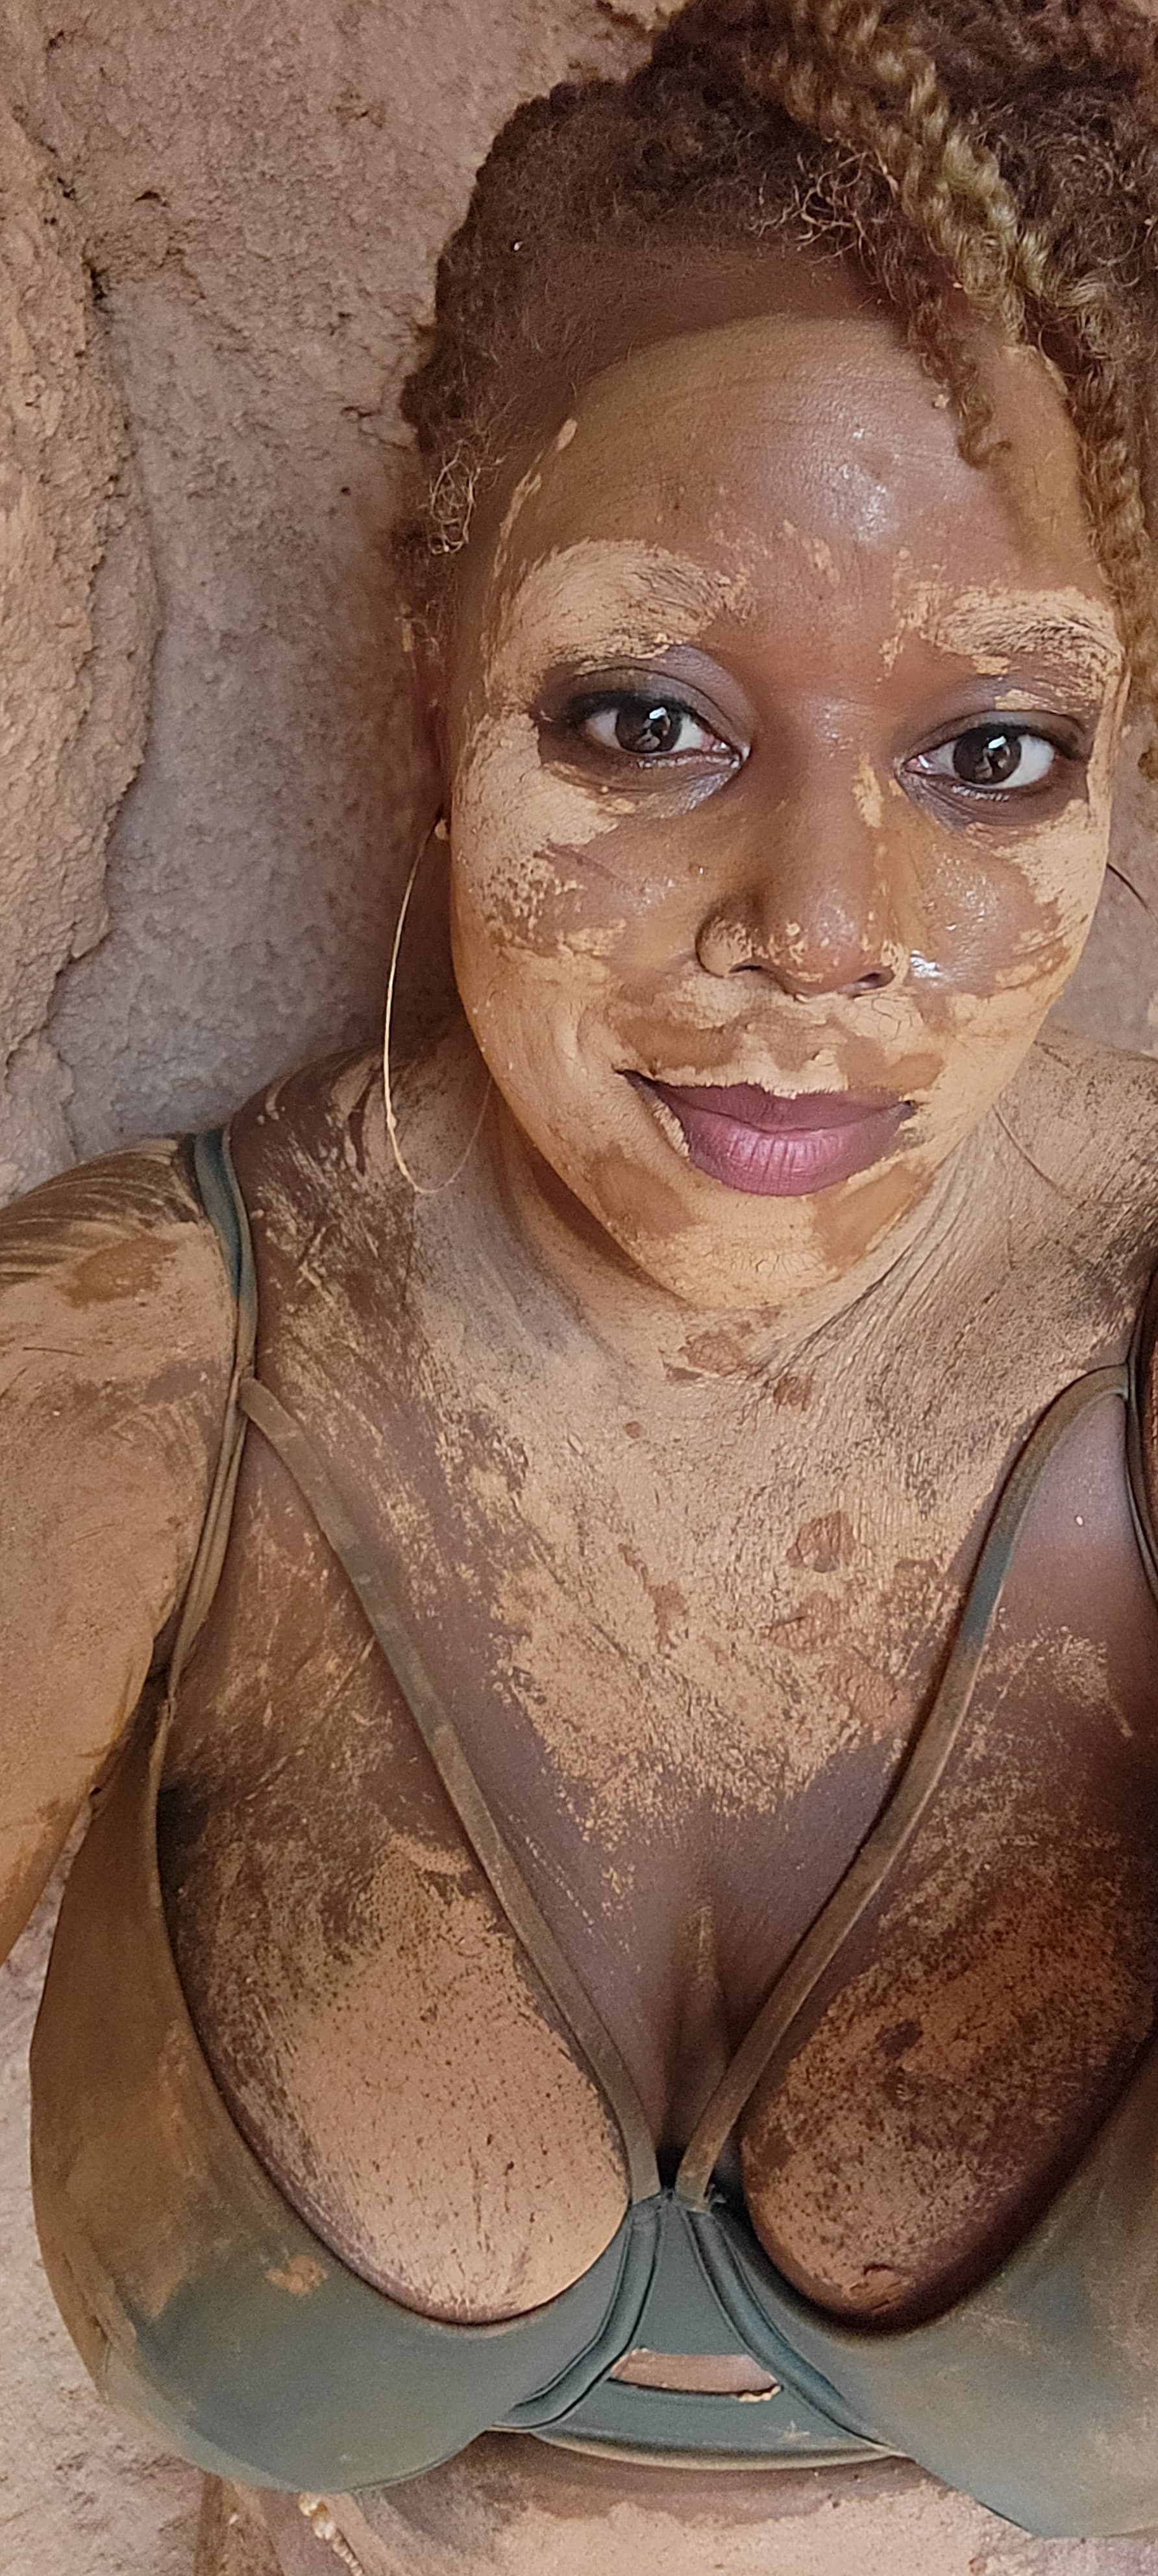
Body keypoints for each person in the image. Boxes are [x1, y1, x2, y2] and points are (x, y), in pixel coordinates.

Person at [6, 1, 1158, 2566]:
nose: (818, 936)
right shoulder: (145, 1363)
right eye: (643, 714)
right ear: (431, 684)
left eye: (988, 750)